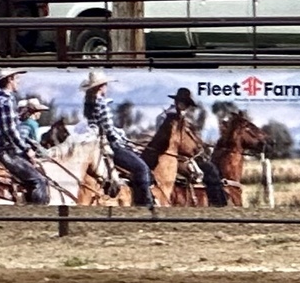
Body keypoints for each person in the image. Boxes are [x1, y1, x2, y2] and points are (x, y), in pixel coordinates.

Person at [79, 68, 155, 211]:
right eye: (105, 84)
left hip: (95, 143)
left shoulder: (88, 103)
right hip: (109, 144)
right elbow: (108, 128)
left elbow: (95, 125)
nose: (107, 87)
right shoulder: (101, 103)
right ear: (101, 87)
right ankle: (145, 204)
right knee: (141, 167)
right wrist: (121, 140)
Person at [149, 87, 229, 207]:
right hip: (175, 156)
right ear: (177, 102)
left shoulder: (180, 119)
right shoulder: (168, 118)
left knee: (209, 167)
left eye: (186, 104)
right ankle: (218, 203)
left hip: (180, 154)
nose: (185, 107)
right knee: (210, 169)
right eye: (184, 103)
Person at [0, 68, 50, 205]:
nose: (18, 82)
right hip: (5, 152)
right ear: (10, 80)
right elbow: (10, 130)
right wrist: (26, 149)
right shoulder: (6, 101)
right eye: (17, 79)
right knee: (39, 180)